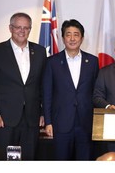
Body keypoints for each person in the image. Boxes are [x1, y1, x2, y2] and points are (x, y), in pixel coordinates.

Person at [0, 12, 46, 160]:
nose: (22, 31)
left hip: (32, 118)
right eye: (18, 27)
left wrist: (43, 112)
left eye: (26, 28)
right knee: (5, 160)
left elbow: (43, 84)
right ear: (10, 28)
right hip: (4, 119)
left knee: (29, 158)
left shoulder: (40, 52)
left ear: (30, 29)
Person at [43, 19, 99, 160]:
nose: (72, 38)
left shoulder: (92, 61)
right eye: (68, 34)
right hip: (60, 123)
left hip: (86, 123)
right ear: (63, 38)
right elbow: (47, 94)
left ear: (82, 38)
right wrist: (48, 122)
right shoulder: (52, 62)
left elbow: (96, 92)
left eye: (76, 34)